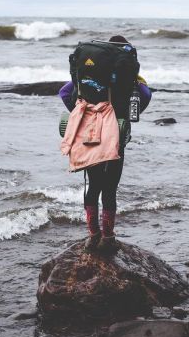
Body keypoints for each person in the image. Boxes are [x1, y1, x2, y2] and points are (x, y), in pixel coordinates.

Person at [59, 35, 151, 252]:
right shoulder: (128, 80)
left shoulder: (86, 78)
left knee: (92, 186)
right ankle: (108, 237)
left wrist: (81, 112)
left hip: (88, 134)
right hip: (115, 135)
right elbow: (145, 96)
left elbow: (63, 92)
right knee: (110, 189)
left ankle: (93, 235)